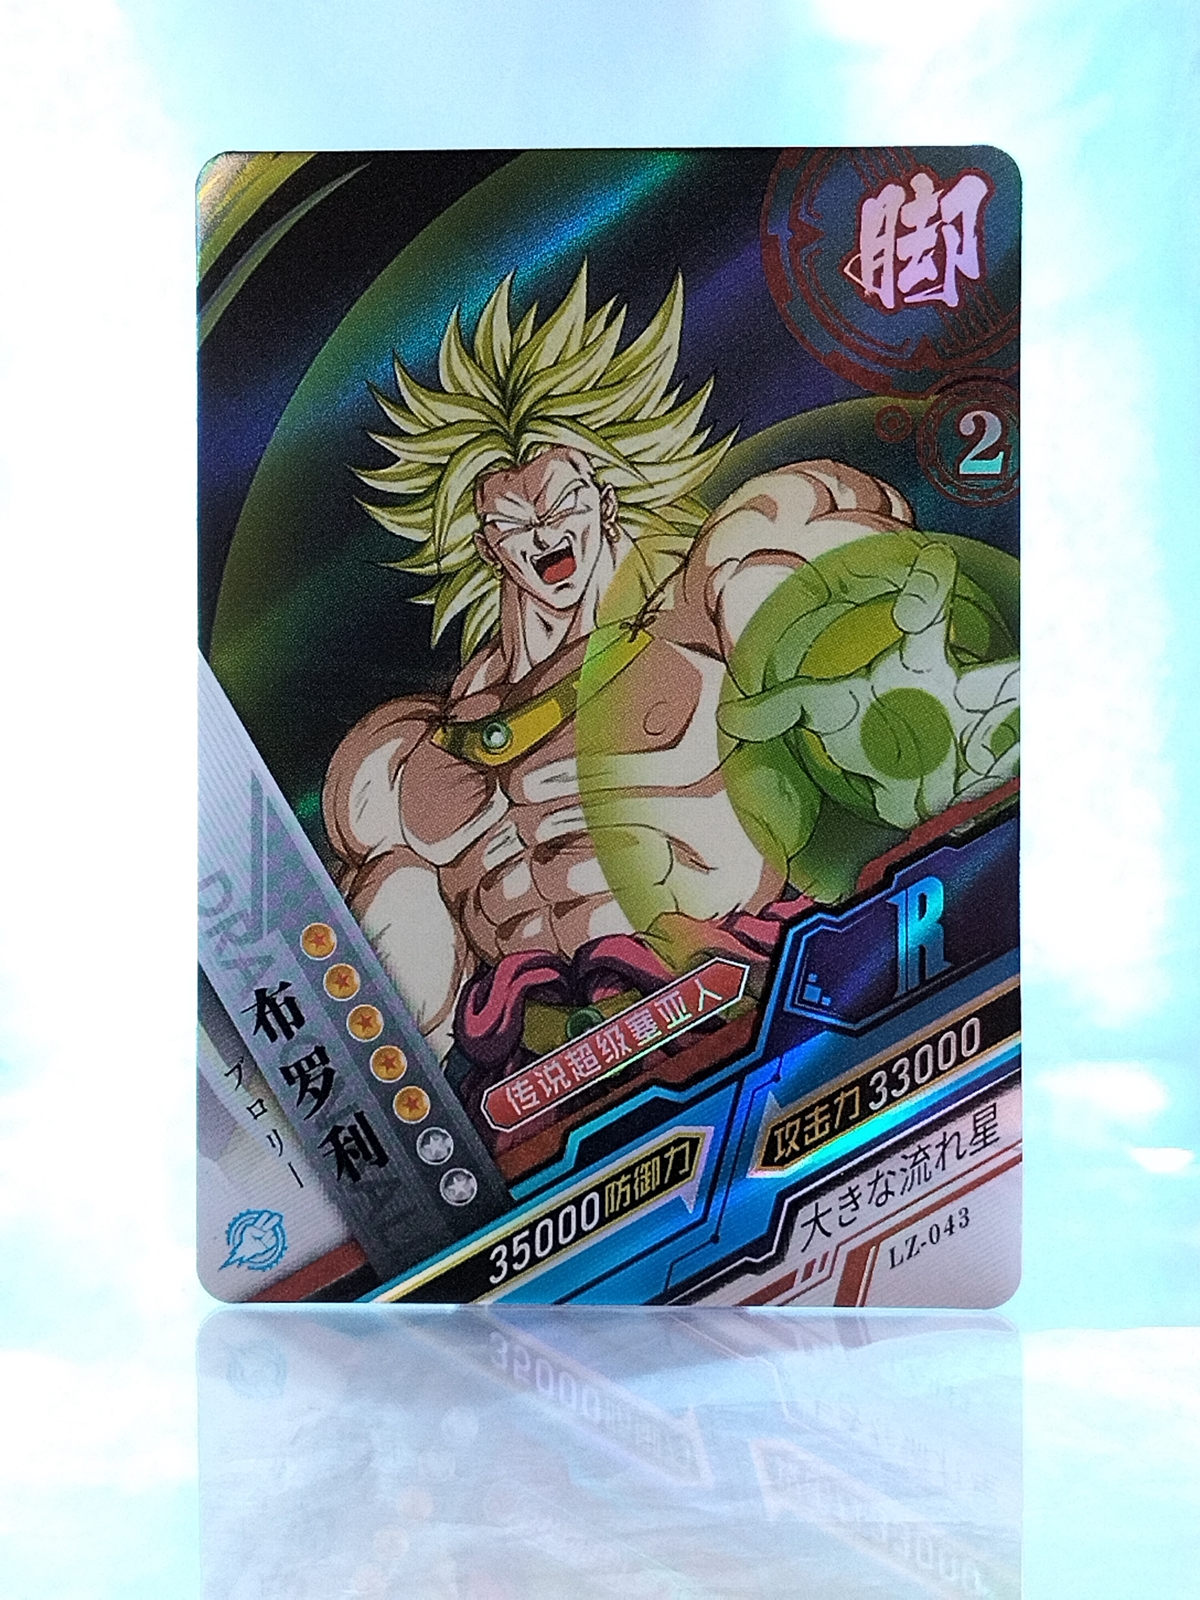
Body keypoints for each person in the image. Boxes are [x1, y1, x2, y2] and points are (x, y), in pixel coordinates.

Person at [322, 266, 1018, 1087]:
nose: (544, 532)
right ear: (487, 547)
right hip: (535, 1070)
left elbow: (834, 554)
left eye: (561, 503)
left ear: (604, 500)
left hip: (744, 1002)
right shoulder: (416, 754)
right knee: (393, 888)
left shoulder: (703, 609)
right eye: (514, 522)